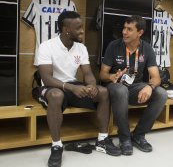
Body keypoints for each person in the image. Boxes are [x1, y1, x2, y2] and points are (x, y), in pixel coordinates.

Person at [37, 11, 121, 167]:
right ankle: (56, 145)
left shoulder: (81, 48)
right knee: (56, 95)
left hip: (71, 86)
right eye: (78, 28)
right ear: (66, 30)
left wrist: (91, 85)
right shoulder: (46, 46)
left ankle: (102, 139)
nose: (82, 31)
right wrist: (70, 87)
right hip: (50, 88)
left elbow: (88, 73)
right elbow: (46, 77)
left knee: (103, 92)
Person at [100, 15, 167, 155]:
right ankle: (124, 138)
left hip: (136, 87)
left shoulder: (147, 49)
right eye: (124, 28)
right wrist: (112, 76)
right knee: (120, 90)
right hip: (116, 87)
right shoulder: (114, 46)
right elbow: (102, 75)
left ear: (140, 32)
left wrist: (149, 87)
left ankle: (138, 135)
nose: (124, 32)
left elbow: (155, 77)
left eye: (129, 29)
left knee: (161, 93)